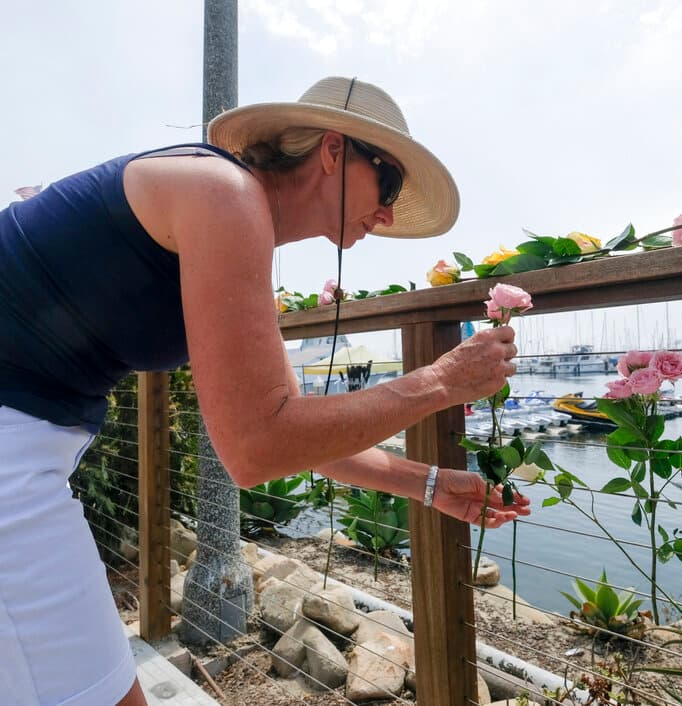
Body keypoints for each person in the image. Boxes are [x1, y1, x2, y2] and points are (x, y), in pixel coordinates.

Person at [0, 76, 530, 706]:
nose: (387, 214)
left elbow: (288, 427)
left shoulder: (229, 214)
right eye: (387, 184)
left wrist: (430, 484)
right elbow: (257, 448)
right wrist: (441, 380)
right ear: (333, 150)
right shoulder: (223, 194)